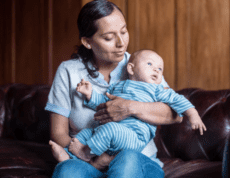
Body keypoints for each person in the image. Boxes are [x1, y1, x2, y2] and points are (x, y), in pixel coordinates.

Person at [45, 0, 184, 178]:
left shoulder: (140, 66)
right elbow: (58, 133)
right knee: (67, 172)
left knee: (127, 158)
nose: (121, 43)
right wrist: (95, 159)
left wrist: (129, 107)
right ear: (87, 41)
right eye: (109, 38)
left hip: (139, 161)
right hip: (88, 161)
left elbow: (176, 113)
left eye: (124, 32)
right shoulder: (69, 72)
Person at [49, 49, 206, 168]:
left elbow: (177, 101)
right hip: (113, 135)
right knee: (86, 133)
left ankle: (85, 155)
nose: (156, 71)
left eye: (160, 69)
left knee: (109, 129)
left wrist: (193, 114)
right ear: (130, 69)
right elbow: (105, 103)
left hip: (134, 137)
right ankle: (70, 157)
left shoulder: (157, 90)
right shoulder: (119, 86)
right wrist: (90, 95)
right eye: (150, 65)